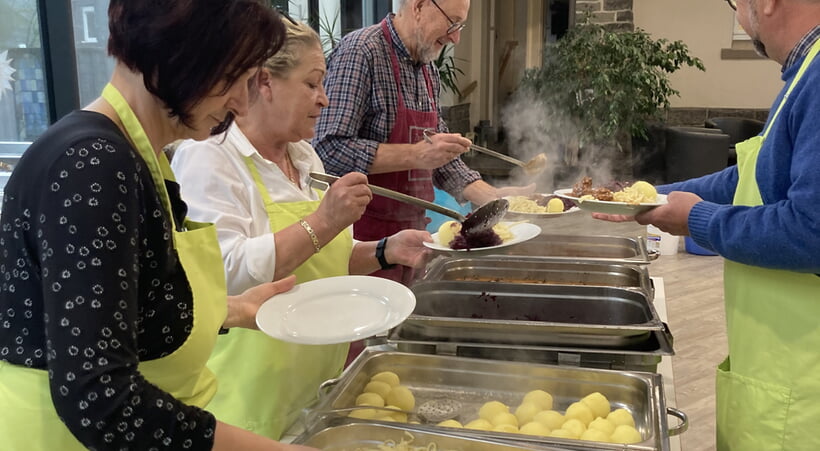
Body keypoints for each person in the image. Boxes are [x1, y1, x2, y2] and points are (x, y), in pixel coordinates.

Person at [0, 1, 317, 450]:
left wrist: (231, 309)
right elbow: (100, 399)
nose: (241, 101)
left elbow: (117, 306)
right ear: (182, 51)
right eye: (234, 77)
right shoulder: (93, 164)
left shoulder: (138, 156)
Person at [170, 19, 432, 440]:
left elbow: (322, 259)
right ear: (265, 82)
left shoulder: (305, 156)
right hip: (250, 402)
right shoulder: (209, 159)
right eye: (312, 84)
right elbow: (224, 274)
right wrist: (323, 220)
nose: (324, 100)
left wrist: (387, 250)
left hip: (313, 387)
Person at [595, 1, 820, 449]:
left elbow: (810, 231)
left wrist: (695, 219)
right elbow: (750, 178)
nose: (741, 17)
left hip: (805, 385)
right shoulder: (803, 72)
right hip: (779, 362)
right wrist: (647, 195)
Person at [312, 0, 535, 284]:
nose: (456, 37)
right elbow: (327, 150)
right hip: (362, 245)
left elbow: (441, 159)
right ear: (418, 6)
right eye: (452, 23)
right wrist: (415, 155)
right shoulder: (361, 52)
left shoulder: (427, 69)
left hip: (413, 240)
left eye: (460, 26)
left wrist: (494, 198)